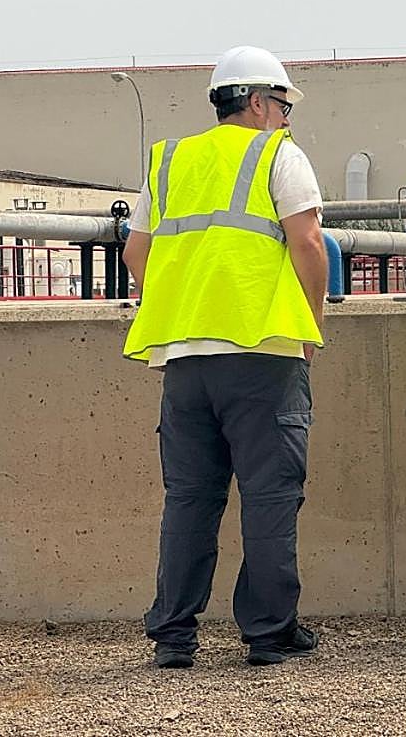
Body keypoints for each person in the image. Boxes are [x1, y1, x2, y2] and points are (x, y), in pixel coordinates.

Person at [122, 45, 328, 667]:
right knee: (268, 498)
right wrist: (310, 325)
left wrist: (185, 305)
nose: (288, 119)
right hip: (262, 355)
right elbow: (309, 243)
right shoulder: (277, 154)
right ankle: (268, 634)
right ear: (261, 102)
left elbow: (137, 256)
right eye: (284, 106)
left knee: (189, 498)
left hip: (184, 361)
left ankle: (174, 637)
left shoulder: (169, 161)